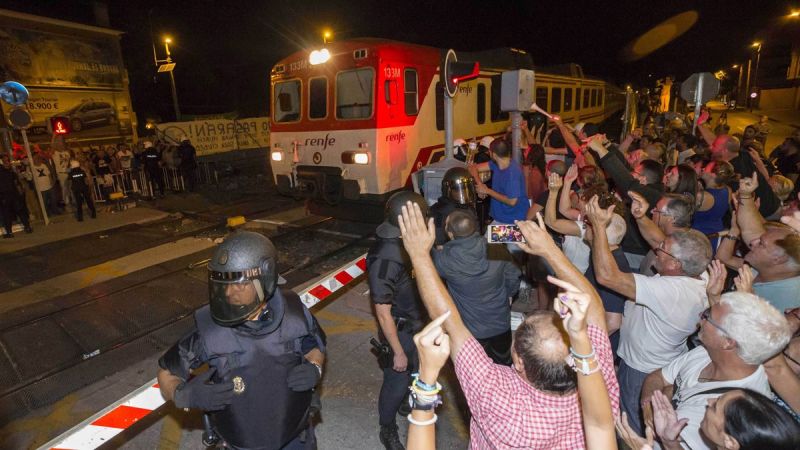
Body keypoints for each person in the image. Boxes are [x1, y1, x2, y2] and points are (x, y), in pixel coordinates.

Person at [397, 202, 620, 448]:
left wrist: (419, 255)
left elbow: (450, 323)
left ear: (520, 362)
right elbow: (596, 309)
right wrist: (550, 251)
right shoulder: (601, 387)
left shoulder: (497, 399)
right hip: (497, 324)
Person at [157, 231, 326, 450]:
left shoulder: (294, 315)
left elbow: (315, 346)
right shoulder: (212, 333)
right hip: (242, 444)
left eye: (239, 284)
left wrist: (315, 368)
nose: (229, 293)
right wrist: (182, 395)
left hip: (296, 438)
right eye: (224, 283)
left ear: (264, 279)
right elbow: (166, 372)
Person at [587, 194, 712, 435]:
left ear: (675, 264)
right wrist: (640, 217)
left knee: (632, 427)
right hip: (656, 361)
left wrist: (599, 227)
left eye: (661, 250)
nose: (655, 251)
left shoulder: (672, 291)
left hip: (641, 371)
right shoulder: (697, 272)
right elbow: (658, 239)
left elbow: (607, 276)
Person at [640, 292, 791, 450]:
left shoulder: (733, 413)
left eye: (707, 316)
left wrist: (665, 394)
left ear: (728, 342)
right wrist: (649, 405)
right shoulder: (709, 351)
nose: (700, 316)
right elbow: (657, 377)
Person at [368, 191, 427, 450]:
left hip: (417, 324)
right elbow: (382, 311)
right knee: (396, 380)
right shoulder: (385, 257)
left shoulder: (405, 241)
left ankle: (406, 401)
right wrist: (397, 351)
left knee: (416, 372)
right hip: (400, 331)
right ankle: (387, 427)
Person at [431, 209, 520, 365]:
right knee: (504, 367)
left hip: (469, 330)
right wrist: (509, 294)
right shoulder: (497, 245)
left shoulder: (443, 259)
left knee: (474, 373)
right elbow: (513, 276)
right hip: (500, 323)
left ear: (451, 233)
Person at [716, 173, 800, 311]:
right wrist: (745, 195)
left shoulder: (786, 302)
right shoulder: (765, 265)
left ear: (778, 259)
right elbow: (750, 230)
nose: (753, 242)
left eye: (761, 244)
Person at [469, 138, 528, 226]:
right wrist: (480, 185)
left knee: (485, 239)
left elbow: (512, 201)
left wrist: (487, 191)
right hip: (500, 218)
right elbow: (472, 168)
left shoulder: (512, 174)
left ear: (493, 154)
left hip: (513, 222)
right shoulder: (496, 164)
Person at [428, 167, 477, 247]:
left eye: (466, 189)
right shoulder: (439, 212)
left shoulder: (468, 208)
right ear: (448, 190)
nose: (463, 193)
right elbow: (439, 244)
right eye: (458, 190)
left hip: (469, 248)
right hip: (456, 251)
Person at [0, 155, 32, 237]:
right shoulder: (9, 172)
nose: (8, 163)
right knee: (16, 212)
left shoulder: (10, 172)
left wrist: (20, 191)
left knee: (10, 213)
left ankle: (11, 232)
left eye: (7, 161)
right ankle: (26, 227)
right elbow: (16, 183)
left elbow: (16, 183)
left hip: (9, 195)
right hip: (7, 195)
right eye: (5, 161)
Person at [52, 143, 72, 207]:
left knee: (70, 188)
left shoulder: (67, 153)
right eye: (60, 145)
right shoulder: (56, 153)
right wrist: (54, 136)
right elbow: (52, 146)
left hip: (68, 172)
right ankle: (65, 202)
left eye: (63, 145)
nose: (61, 147)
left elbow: (69, 162)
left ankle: (70, 200)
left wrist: (69, 169)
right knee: (63, 188)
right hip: (61, 173)